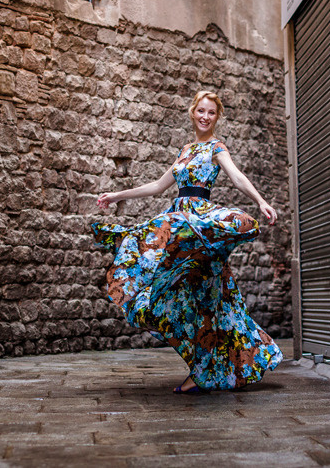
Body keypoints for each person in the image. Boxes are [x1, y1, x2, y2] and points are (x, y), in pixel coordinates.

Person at [91, 90, 284, 393]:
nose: (205, 117)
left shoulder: (216, 147)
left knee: (211, 300)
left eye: (211, 113)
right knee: (190, 300)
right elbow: (157, 186)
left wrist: (260, 201)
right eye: (201, 111)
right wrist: (117, 195)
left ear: (216, 117)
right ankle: (202, 369)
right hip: (179, 224)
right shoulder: (185, 151)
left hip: (198, 226)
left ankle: (210, 369)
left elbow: (236, 177)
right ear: (193, 112)